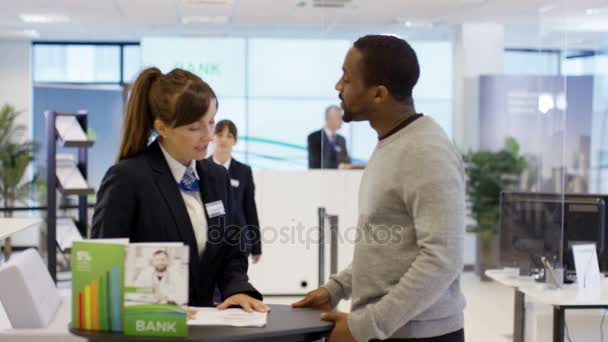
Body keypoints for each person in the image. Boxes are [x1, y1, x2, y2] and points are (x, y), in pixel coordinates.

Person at [293, 35, 466, 342]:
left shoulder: (425, 150)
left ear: (379, 94)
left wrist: (366, 326)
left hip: (417, 334)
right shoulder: (394, 141)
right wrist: (337, 289)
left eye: (346, 78)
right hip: (391, 329)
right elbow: (386, 246)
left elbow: (443, 257)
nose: (337, 87)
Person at [91, 67, 269, 313]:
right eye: (194, 128)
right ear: (162, 127)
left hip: (207, 323)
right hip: (148, 326)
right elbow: (105, 264)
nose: (208, 136)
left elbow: (231, 250)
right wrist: (156, 305)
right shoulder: (127, 178)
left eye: (211, 122)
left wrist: (237, 287)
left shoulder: (217, 177)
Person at [210, 119, 262, 264]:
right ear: (212, 137)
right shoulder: (202, 167)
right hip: (209, 241)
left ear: (235, 141)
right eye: (220, 135)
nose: (224, 140)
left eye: (229, 136)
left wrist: (256, 246)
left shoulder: (243, 171)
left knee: (236, 284)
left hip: (239, 241)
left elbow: (250, 208)